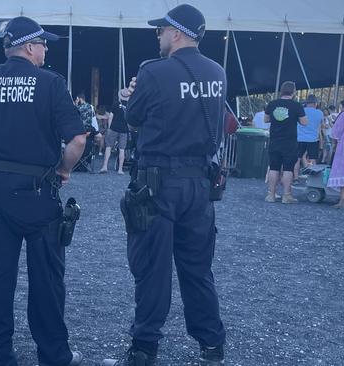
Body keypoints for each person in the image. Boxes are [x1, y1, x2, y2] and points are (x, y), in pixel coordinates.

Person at [0, 15, 86, 366]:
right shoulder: (51, 83)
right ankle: (54, 355)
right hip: (38, 192)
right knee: (47, 282)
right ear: (28, 47)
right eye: (42, 44)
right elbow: (78, 139)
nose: (46, 50)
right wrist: (63, 168)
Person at [103, 4, 227, 366]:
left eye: (161, 31)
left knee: (152, 269)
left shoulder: (153, 72)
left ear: (175, 32)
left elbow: (134, 120)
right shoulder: (217, 72)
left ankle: (144, 348)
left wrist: (128, 98)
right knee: (198, 269)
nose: (158, 37)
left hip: (158, 185)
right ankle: (212, 344)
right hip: (200, 186)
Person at [264, 81, 308, 203]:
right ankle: (286, 195)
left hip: (274, 140)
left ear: (281, 91)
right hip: (289, 142)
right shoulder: (296, 106)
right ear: (293, 92)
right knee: (288, 169)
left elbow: (266, 119)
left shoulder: (272, 104)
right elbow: (304, 122)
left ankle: (271, 195)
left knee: (274, 167)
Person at [99, 92, 129, 174]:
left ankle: (104, 167)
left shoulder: (116, 104)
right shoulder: (129, 106)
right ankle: (120, 169)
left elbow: (111, 116)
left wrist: (109, 127)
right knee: (122, 149)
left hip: (113, 128)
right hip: (124, 130)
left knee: (108, 147)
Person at [295, 94, 322, 177]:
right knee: (313, 159)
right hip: (313, 139)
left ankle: (295, 178)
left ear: (306, 103)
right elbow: (320, 126)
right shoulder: (320, 113)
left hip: (300, 138)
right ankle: (313, 179)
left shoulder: (301, 111)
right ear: (316, 103)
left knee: (297, 159)